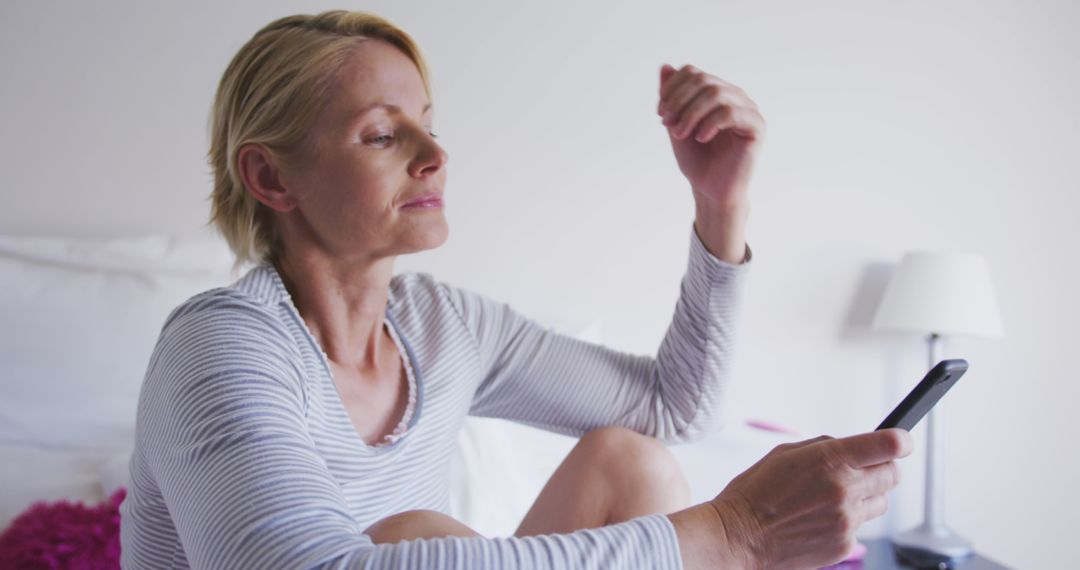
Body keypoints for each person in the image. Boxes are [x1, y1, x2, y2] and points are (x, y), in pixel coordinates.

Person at [119, 9, 912, 570]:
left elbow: (676, 410)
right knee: (414, 533)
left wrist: (720, 203)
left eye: (429, 122)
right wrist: (734, 533)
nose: (435, 153)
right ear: (270, 176)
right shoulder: (218, 346)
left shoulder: (442, 327)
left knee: (626, 460)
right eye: (384, 133)